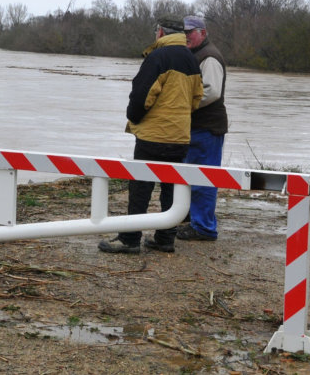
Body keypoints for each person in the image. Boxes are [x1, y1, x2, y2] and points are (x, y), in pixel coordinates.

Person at [98, 16, 203, 254]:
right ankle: (166, 238)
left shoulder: (157, 57)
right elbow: (197, 98)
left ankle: (130, 239)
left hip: (154, 135)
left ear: (160, 33)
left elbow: (141, 97)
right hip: (180, 137)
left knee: (140, 188)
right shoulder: (191, 59)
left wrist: (133, 117)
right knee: (171, 188)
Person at [176, 15, 228, 241]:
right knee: (190, 175)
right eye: (184, 33)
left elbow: (212, 91)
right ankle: (192, 219)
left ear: (203, 33)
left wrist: (181, 105)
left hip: (207, 128)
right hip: (196, 126)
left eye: (191, 32)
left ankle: (204, 227)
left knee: (203, 178)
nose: (186, 36)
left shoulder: (209, 57)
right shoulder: (195, 54)